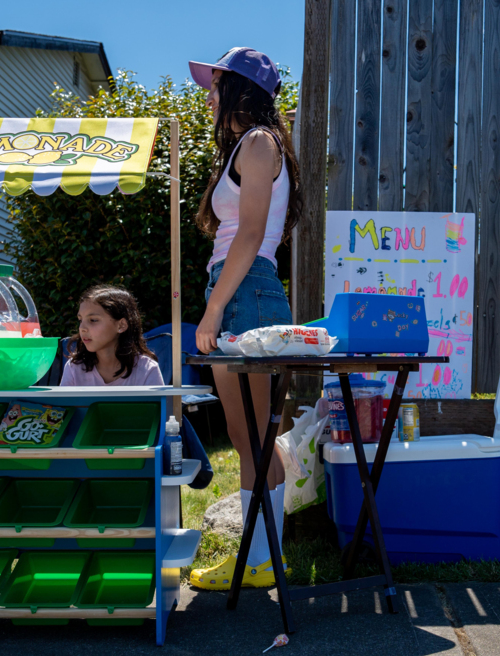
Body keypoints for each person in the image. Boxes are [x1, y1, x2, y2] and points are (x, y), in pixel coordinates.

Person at [185, 47, 303, 591]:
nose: (208, 95)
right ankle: (258, 556)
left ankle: (260, 560)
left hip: (246, 292)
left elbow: (252, 236)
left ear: (242, 90)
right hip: (235, 289)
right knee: (243, 436)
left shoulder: (259, 143)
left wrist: (212, 309)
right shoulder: (244, 148)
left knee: (255, 435)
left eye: (216, 85)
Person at [61, 285, 164, 386]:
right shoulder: (74, 368)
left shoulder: (147, 369)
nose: (82, 328)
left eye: (93, 320)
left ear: (121, 325)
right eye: (80, 320)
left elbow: (160, 403)